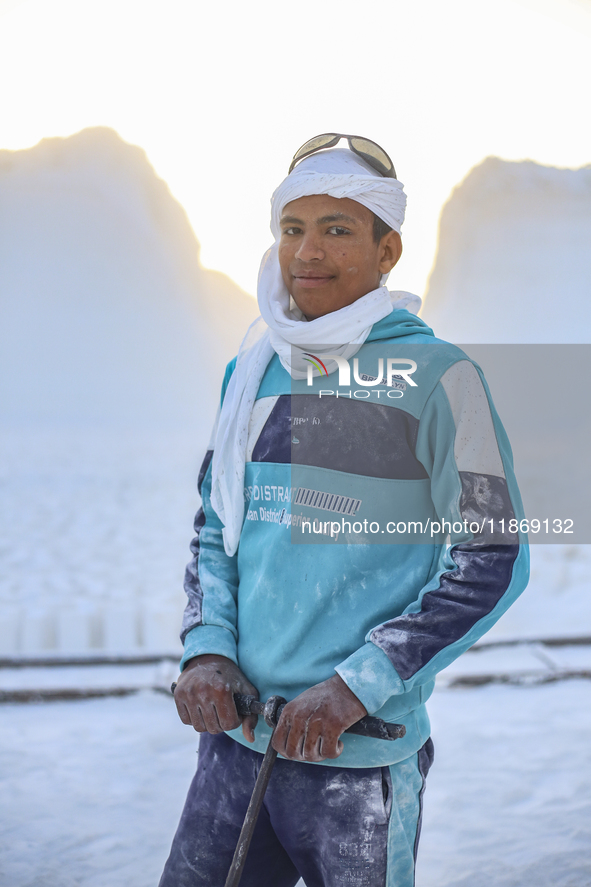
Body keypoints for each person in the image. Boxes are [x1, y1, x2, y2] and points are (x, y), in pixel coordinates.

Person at [159, 134, 529, 887]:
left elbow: (490, 555)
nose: (308, 252)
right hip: (236, 739)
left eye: (337, 229)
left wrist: (357, 683)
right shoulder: (253, 370)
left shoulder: (438, 378)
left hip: (357, 756)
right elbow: (215, 528)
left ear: (387, 249)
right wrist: (206, 648)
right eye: (293, 228)